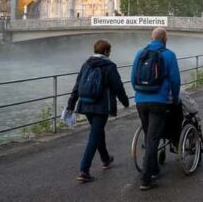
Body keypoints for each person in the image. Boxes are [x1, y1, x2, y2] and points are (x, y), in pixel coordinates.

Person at [65, 40, 130, 183]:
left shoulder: (86, 64)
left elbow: (77, 86)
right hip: (102, 106)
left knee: (98, 131)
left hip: (86, 104)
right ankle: (84, 169)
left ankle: (105, 159)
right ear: (106, 51)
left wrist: (71, 104)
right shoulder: (109, 66)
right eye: (110, 51)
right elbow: (117, 86)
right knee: (95, 135)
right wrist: (125, 102)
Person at [131, 27, 181, 191]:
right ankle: (146, 179)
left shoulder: (140, 53)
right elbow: (175, 81)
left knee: (149, 136)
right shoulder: (169, 55)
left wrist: (140, 93)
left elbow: (133, 79)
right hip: (159, 101)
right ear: (165, 40)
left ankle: (154, 168)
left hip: (140, 101)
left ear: (151, 38)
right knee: (153, 139)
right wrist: (174, 98)